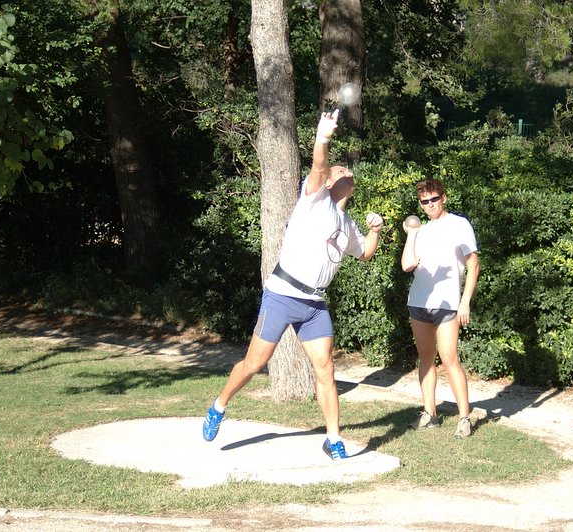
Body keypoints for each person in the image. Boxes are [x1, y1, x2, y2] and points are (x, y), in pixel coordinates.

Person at [201, 109, 384, 460]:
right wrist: (323, 136)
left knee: (325, 368)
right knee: (255, 363)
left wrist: (375, 230)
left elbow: (365, 253)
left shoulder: (347, 224)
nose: (347, 173)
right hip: (283, 295)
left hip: (314, 305)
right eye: (340, 171)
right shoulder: (314, 200)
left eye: (349, 172)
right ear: (328, 182)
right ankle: (219, 405)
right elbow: (318, 165)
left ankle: (333, 439)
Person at [400, 178, 479, 439]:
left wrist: (465, 301)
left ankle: (464, 418)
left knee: (449, 358)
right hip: (419, 302)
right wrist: (411, 234)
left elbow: (473, 264)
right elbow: (407, 265)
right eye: (425, 201)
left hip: (447, 303)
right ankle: (429, 414)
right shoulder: (420, 230)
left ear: (443, 198)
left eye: (434, 199)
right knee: (425, 359)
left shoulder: (459, 224)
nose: (430, 204)